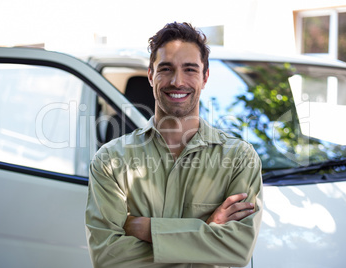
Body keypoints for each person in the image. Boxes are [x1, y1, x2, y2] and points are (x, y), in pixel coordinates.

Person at [85, 22, 263, 268]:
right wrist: (207, 231)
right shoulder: (110, 160)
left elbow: (238, 249)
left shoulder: (240, 159)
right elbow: (107, 257)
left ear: (205, 77)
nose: (177, 81)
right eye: (166, 69)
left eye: (190, 69)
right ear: (151, 75)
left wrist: (147, 229)